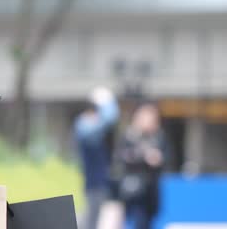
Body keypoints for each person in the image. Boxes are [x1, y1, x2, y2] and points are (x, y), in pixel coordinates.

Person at [72, 87, 119, 229]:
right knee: (89, 219)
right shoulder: (84, 124)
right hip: (91, 181)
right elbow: (110, 118)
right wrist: (107, 102)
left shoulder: (93, 127)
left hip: (99, 180)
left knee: (94, 218)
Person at [115, 102, 167, 229]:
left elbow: (165, 159)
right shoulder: (130, 136)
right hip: (134, 190)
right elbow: (122, 157)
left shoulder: (158, 137)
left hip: (151, 191)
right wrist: (143, 155)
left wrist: (157, 158)